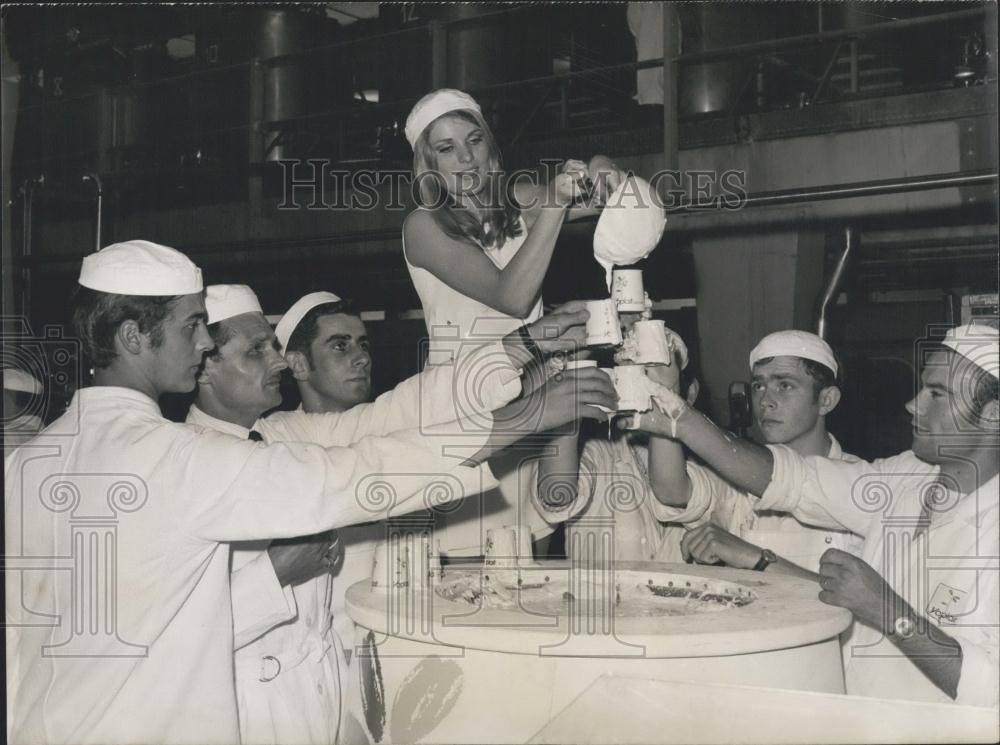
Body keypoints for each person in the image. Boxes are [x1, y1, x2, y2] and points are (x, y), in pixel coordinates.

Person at [4, 240, 616, 744]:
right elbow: (348, 476)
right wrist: (519, 422)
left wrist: (521, 350)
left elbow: (381, 426)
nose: (202, 343)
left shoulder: (29, 465)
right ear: (135, 338)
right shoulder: (178, 457)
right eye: (193, 326)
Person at [626, 323, 999, 707]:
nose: (914, 404)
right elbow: (792, 478)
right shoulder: (906, 478)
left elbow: (990, 687)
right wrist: (676, 413)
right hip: (849, 716)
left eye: (937, 394)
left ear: (992, 414)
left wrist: (888, 613)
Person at [401, 87, 626, 557]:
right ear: (429, 165)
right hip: (463, 407)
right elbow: (513, 297)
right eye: (446, 149)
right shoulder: (423, 226)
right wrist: (555, 206)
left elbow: (606, 196)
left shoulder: (518, 199)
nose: (466, 158)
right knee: (466, 563)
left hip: (529, 398)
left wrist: (603, 165)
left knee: (531, 553)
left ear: (490, 145)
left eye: (474, 140)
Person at [187, 284, 342, 745]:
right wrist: (276, 573)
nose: (278, 362)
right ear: (204, 368)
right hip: (247, 709)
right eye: (257, 350)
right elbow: (174, 627)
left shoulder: (287, 444)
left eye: (274, 345)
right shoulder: (181, 465)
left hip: (322, 689)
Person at [648, 330, 864, 577]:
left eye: (785, 385)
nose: (765, 401)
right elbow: (671, 491)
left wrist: (753, 557)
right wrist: (665, 393)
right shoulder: (739, 478)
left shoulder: (858, 484)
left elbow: (856, 600)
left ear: (827, 400)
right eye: (759, 385)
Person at [533, 328, 695, 564]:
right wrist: (569, 395)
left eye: (656, 377)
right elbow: (556, 495)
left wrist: (667, 400)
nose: (648, 387)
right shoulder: (598, 450)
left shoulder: (710, 464)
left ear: (690, 393)